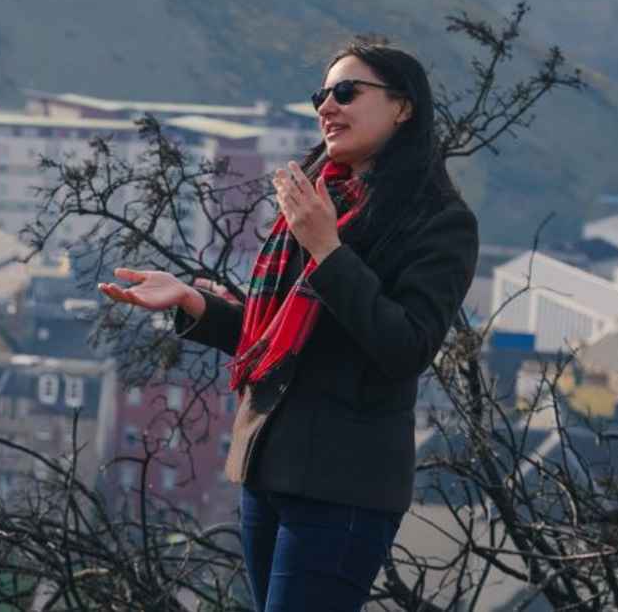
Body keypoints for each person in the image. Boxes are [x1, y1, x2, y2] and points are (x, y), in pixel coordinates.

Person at [100, 42, 478, 612]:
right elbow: (281, 336)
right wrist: (192, 302)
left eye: (347, 92)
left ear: (403, 106)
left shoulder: (438, 221)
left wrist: (326, 248)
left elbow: (405, 346)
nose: (327, 106)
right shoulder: (320, 195)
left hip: (344, 485)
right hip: (267, 470)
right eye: (320, 95)